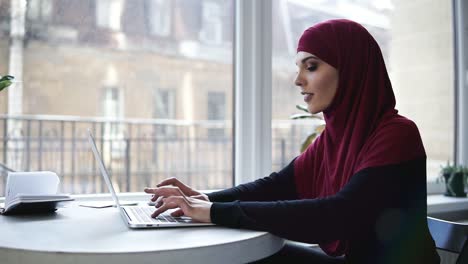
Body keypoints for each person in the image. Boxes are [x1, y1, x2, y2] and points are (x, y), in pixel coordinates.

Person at [144, 19, 440, 264]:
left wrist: (211, 212)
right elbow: (275, 185)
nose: (298, 79)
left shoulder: (397, 134)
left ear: (350, 70)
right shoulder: (332, 141)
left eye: (311, 67)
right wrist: (205, 200)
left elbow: (339, 214)